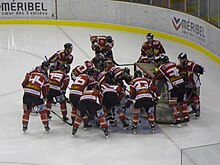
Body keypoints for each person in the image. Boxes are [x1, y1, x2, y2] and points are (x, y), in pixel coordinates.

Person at [154, 55, 189, 126]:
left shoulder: (161, 67)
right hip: (182, 84)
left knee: (173, 103)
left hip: (174, 86)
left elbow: (158, 76)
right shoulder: (173, 63)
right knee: (182, 101)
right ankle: (186, 118)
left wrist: (156, 74)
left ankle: (177, 120)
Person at [21, 61, 50, 133]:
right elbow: (45, 89)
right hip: (37, 95)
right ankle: (46, 126)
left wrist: (27, 89)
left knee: (26, 111)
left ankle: (24, 126)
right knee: (42, 111)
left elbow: (23, 83)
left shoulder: (32, 74)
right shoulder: (45, 78)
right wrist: (44, 97)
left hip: (26, 94)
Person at [177, 53, 204, 119]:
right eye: (179, 59)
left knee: (195, 98)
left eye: (181, 59)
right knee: (187, 99)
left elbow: (200, 69)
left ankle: (197, 111)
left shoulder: (191, 64)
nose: (180, 61)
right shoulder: (179, 66)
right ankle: (193, 109)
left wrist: (199, 69)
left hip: (194, 85)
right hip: (186, 85)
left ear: (185, 59)